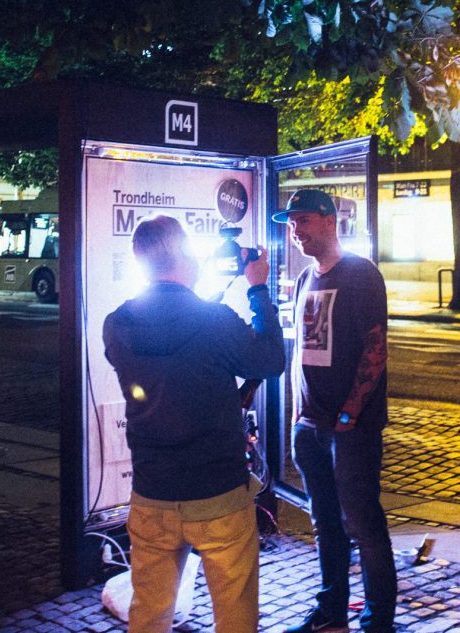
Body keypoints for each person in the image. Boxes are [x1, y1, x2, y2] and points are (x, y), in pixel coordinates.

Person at [102, 215, 284, 633]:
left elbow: (168, 353)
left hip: (151, 492)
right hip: (216, 491)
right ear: (185, 255)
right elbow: (271, 359)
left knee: (148, 612)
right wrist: (257, 289)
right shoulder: (213, 320)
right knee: (235, 615)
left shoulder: (117, 324)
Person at [273, 189, 396, 633]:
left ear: (329, 222)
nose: (295, 231)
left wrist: (349, 415)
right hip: (308, 425)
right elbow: (302, 352)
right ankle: (332, 609)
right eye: (291, 224)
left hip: (349, 428)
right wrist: (296, 417)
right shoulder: (307, 278)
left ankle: (378, 617)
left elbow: (375, 350)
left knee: (362, 521)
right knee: (324, 521)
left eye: (303, 220)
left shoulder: (361, 274)